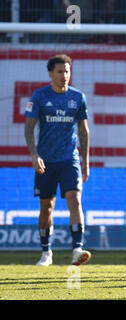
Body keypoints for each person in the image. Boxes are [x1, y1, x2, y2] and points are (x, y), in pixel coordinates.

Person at [24, 54, 91, 267]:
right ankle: (46, 253)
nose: (64, 76)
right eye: (60, 72)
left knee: (74, 199)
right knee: (47, 206)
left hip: (69, 159)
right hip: (46, 160)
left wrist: (86, 161)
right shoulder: (40, 96)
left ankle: (77, 250)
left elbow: (83, 130)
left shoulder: (78, 97)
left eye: (67, 71)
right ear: (51, 73)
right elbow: (28, 127)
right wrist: (34, 154)